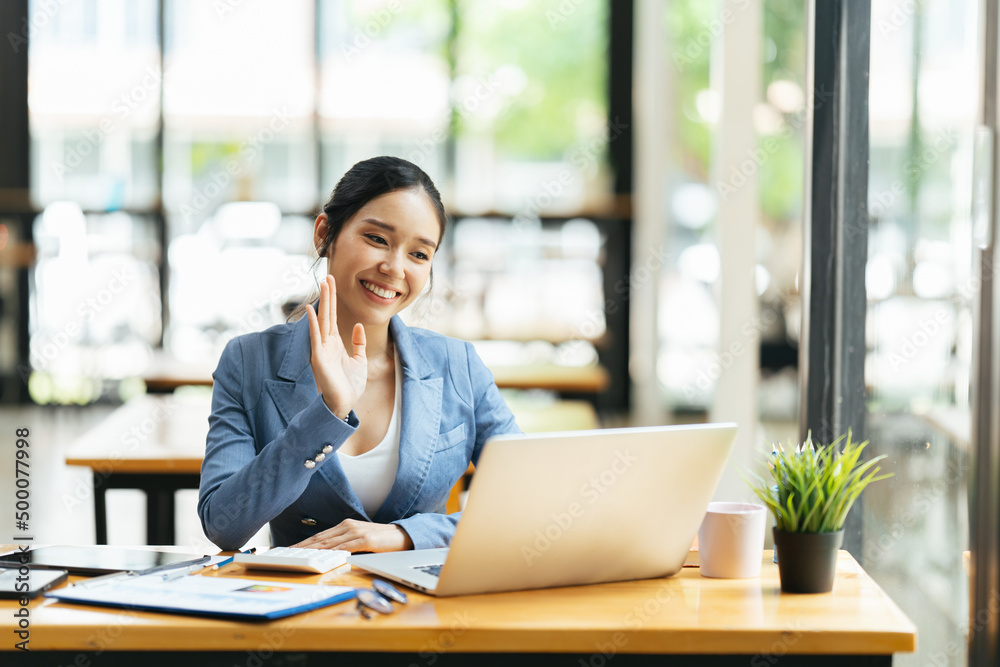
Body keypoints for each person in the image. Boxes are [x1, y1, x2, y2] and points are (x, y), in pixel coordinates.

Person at [198, 156, 521, 553]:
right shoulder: (249, 361)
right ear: (324, 234)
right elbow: (222, 524)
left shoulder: (458, 365)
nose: (394, 267)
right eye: (377, 239)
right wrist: (327, 414)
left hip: (424, 607)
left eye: (419, 254)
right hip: (300, 603)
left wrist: (404, 536)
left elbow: (524, 504)